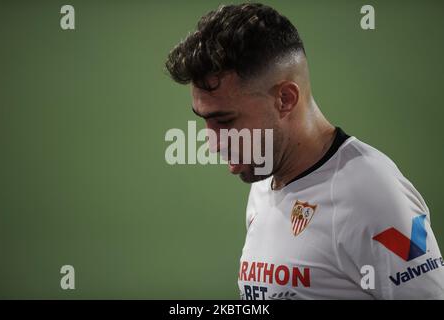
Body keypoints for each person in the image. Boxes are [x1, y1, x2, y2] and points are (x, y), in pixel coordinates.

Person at [165, 3, 444, 299]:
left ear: (285, 98)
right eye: (205, 119)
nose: (213, 142)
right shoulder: (264, 180)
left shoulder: (374, 196)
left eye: (225, 120)